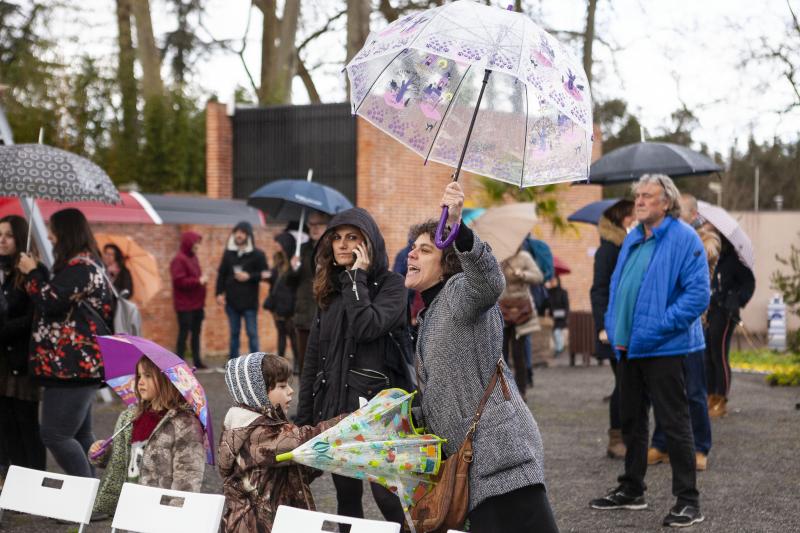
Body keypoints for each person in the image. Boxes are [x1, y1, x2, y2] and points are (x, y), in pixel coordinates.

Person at [405, 182, 558, 533]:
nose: (411, 254)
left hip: (500, 459)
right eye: (412, 248)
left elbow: (489, 280)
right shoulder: (429, 315)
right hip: (472, 468)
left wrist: (458, 228)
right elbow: (444, 394)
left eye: (424, 250)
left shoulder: (460, 294)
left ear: (446, 266)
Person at [590, 175, 709, 528]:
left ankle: (689, 501)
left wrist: (657, 326)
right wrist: (613, 324)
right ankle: (632, 488)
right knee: (631, 421)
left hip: (665, 347)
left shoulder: (684, 238)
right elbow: (618, 284)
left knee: (674, 423)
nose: (638, 201)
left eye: (647, 196)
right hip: (630, 347)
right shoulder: (632, 238)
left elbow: (698, 295)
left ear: (666, 203)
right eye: (637, 195)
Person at [295, 207, 407, 526]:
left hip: (376, 414)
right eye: (337, 238)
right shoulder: (328, 293)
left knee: (387, 495)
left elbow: (367, 327)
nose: (343, 245)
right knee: (346, 497)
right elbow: (312, 361)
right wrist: (304, 420)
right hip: (335, 410)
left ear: (368, 243)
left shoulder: (391, 285)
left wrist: (357, 278)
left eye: (352, 238)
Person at [17, 208, 113, 478]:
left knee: (55, 435)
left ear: (66, 234)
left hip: (72, 367)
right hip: (77, 366)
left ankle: (85, 499)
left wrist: (32, 272)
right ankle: (93, 501)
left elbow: (49, 302)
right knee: (80, 435)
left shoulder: (81, 268)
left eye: (53, 231)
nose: (49, 236)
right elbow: (59, 298)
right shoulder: (82, 266)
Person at [218, 352, 344, 533]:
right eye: (282, 386)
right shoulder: (257, 433)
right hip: (256, 526)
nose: (291, 391)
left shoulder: (265, 426)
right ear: (257, 392)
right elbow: (307, 439)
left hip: (275, 523)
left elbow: (292, 469)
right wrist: (352, 421)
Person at [648, 193, 717, 470]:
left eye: (681, 212)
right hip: (666, 331)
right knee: (665, 393)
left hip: (692, 330)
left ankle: (701, 447)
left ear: (692, 215)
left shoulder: (705, 239)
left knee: (695, 392)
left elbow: (709, 255)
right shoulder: (661, 238)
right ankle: (662, 442)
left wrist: (684, 242)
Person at [90, 356, 205, 517]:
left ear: (166, 380)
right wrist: (104, 452)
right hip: (130, 505)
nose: (140, 382)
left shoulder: (184, 424)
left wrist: (175, 513)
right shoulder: (131, 417)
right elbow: (121, 458)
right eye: (139, 376)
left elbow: (188, 475)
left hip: (160, 509)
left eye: (148, 376)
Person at [0, 215, 46, 480]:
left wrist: (5, 331)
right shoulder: (3, 272)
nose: (2, 241)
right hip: (2, 362)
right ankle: (16, 484)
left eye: (8, 235)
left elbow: (35, 315)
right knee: (6, 425)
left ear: (19, 237)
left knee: (26, 424)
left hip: (22, 360)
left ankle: (35, 482)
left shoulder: (31, 271)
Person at [589, 199, 634, 459]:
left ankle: (627, 435)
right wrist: (602, 327)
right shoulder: (608, 250)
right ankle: (616, 437)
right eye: (630, 215)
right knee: (623, 383)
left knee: (628, 383)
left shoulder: (627, 245)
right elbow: (599, 290)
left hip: (627, 325)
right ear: (620, 218)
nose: (633, 220)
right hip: (613, 327)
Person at [706, 237, 755, 417]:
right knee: (707, 355)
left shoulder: (734, 260)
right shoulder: (712, 258)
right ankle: (709, 395)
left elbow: (749, 284)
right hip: (709, 311)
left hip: (725, 313)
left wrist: (734, 301)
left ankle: (721, 398)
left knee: (719, 355)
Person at [286, 210, 330, 375]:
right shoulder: (301, 250)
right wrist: (292, 269)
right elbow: (289, 283)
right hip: (304, 314)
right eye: (311, 224)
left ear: (326, 226)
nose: (314, 228)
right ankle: (306, 399)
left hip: (325, 314)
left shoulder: (332, 251)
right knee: (305, 364)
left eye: (318, 224)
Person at [216, 221, 268, 359]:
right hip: (232, 302)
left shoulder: (258, 254)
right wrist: (219, 293)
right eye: (237, 232)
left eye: (242, 232)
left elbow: (266, 274)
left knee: (252, 333)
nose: (239, 235)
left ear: (248, 235)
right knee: (234, 334)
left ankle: (255, 364)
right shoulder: (228, 253)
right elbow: (221, 274)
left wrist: (249, 276)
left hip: (249, 303)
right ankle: (232, 364)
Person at [498, 248, 543, 397]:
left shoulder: (524, 257)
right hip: (502, 310)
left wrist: (522, 274)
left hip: (521, 312)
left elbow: (538, 276)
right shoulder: (497, 258)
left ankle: (521, 391)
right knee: (501, 354)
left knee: (518, 353)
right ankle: (503, 391)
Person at [170, 232, 208, 369]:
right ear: (189, 243)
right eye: (196, 243)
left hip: (197, 303)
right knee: (184, 333)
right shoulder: (179, 260)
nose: (197, 245)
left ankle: (197, 360)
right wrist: (198, 281)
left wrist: (200, 280)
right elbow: (179, 281)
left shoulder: (194, 258)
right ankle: (178, 362)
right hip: (184, 305)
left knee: (196, 334)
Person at [263, 232, 297, 359]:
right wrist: (268, 277)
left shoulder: (293, 262)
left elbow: (293, 282)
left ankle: (298, 363)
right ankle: (280, 362)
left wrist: (294, 267)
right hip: (277, 304)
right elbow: (275, 279)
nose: (276, 245)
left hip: (290, 304)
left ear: (285, 244)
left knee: (293, 335)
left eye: (279, 242)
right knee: (281, 334)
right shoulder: (277, 260)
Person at [546, 276, 569, 356]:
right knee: (554, 333)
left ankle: (559, 349)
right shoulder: (548, 292)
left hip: (561, 316)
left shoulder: (563, 292)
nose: (552, 283)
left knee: (557, 332)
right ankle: (559, 348)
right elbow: (546, 304)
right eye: (551, 281)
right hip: (552, 317)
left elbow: (566, 305)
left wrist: (566, 315)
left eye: (554, 281)